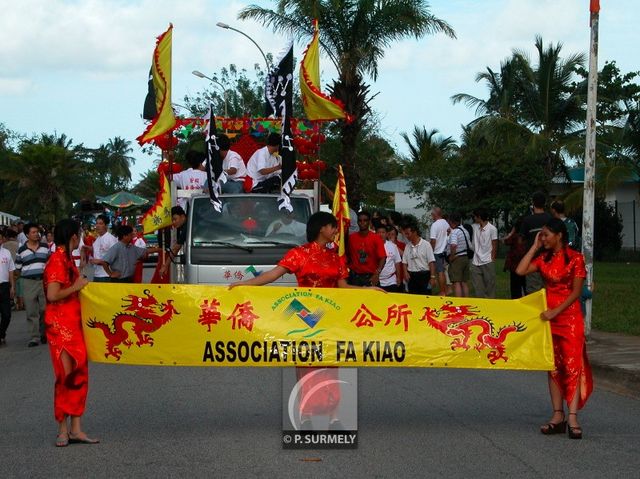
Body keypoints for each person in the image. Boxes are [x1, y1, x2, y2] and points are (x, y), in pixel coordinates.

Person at [230, 211, 382, 429]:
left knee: (331, 364)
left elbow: (344, 288)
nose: (335, 231)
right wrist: (244, 284)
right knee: (307, 366)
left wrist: (369, 291)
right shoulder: (298, 254)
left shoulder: (336, 257)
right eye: (332, 227)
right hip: (304, 319)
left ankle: (334, 417)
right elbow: (272, 275)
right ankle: (306, 416)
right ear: (322, 228)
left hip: (330, 318)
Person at [516, 218, 593, 439]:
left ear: (559, 235)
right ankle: (557, 415)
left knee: (572, 366)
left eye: (546, 235)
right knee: (553, 366)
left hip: (568, 318)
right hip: (548, 319)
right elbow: (521, 270)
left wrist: (555, 312)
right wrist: (534, 247)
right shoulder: (543, 259)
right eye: (541, 236)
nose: (543, 239)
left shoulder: (576, 259)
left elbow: (576, 293)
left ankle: (573, 417)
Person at [43, 218, 98, 447]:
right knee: (65, 376)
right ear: (73, 236)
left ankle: (76, 428)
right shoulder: (57, 260)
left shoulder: (66, 259)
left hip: (73, 325)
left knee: (78, 375)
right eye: (80, 234)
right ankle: (63, 429)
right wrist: (77, 286)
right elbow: (53, 295)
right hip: (61, 328)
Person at [16, 223, 50, 347]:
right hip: (28, 282)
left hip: (43, 281)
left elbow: (50, 263)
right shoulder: (21, 250)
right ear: (27, 235)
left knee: (44, 309)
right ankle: (34, 337)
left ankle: (44, 333)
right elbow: (18, 267)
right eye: (33, 232)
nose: (36, 234)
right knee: (31, 310)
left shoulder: (45, 247)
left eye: (37, 232)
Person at [520, 191, 553, 294]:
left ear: (533, 203)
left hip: (532, 260)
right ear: (545, 203)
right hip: (549, 260)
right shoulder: (550, 219)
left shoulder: (527, 220)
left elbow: (521, 240)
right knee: (548, 290)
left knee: (533, 292)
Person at [347, 211, 387, 287]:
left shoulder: (376, 238)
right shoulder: (351, 238)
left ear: (369, 222)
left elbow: (383, 257)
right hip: (354, 277)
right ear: (357, 222)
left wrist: (377, 274)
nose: (362, 223)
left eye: (365, 220)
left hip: (371, 276)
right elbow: (347, 255)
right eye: (360, 220)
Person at [401, 219, 436, 294]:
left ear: (414, 232)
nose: (407, 236)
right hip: (412, 276)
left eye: (408, 234)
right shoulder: (407, 246)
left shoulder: (426, 245)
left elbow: (431, 262)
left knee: (425, 297)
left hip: (424, 275)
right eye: (405, 234)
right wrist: (405, 273)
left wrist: (432, 277)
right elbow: (404, 262)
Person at [470, 208, 498, 299]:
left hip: (487, 260)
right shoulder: (475, 227)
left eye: (475, 216)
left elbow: (494, 244)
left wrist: (492, 258)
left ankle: (490, 305)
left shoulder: (492, 229)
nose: (474, 218)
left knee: (490, 286)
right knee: (478, 287)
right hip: (476, 261)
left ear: (479, 217)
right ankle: (481, 304)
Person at [447, 213, 472, 297]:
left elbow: (453, 245)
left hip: (457, 258)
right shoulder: (464, 230)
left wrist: (452, 256)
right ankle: (466, 301)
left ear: (451, 221)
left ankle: (459, 302)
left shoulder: (454, 232)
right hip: (465, 257)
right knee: (464, 282)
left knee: (457, 282)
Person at [88, 215, 118, 283]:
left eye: (101, 223)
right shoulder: (97, 240)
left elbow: (116, 257)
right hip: (96, 274)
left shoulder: (111, 239)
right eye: (97, 223)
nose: (97, 226)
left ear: (106, 226)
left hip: (107, 275)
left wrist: (100, 261)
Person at [503, 219, 527, 299]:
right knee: (526, 285)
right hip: (526, 264)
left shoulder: (514, 236)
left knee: (515, 289)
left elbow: (505, 241)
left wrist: (511, 232)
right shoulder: (527, 237)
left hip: (514, 265)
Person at [429, 207, 450, 295]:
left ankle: (442, 292)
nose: (431, 216)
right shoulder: (446, 223)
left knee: (440, 272)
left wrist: (430, 251)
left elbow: (433, 240)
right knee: (443, 271)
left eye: (432, 214)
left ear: (435, 214)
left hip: (437, 251)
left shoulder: (435, 225)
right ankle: (445, 289)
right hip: (444, 251)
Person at [375, 225, 402, 292]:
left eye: (383, 232)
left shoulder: (393, 246)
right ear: (375, 234)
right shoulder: (372, 246)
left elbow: (397, 262)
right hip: (377, 280)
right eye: (379, 232)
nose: (381, 234)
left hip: (391, 280)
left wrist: (398, 278)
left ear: (387, 234)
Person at [0, 239, 16, 346]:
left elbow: (11, 270)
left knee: (6, 314)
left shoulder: (6, 252)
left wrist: (12, 286)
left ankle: (1, 333)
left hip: (4, 286)